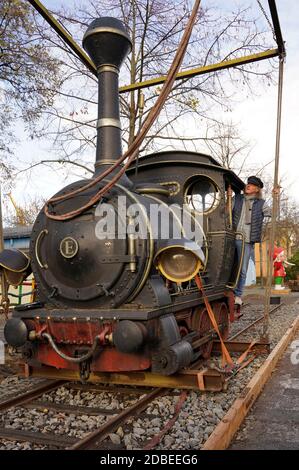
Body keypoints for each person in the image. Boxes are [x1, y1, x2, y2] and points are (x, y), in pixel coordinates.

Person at [227, 176, 271, 306]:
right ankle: (225, 290)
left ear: (257, 189)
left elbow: (272, 213)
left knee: (243, 269)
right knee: (228, 266)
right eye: (248, 183)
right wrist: (229, 198)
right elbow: (226, 212)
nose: (248, 185)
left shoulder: (261, 203)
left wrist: (276, 197)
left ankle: (238, 295)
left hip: (246, 240)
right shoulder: (238, 199)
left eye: (251, 185)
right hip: (231, 237)